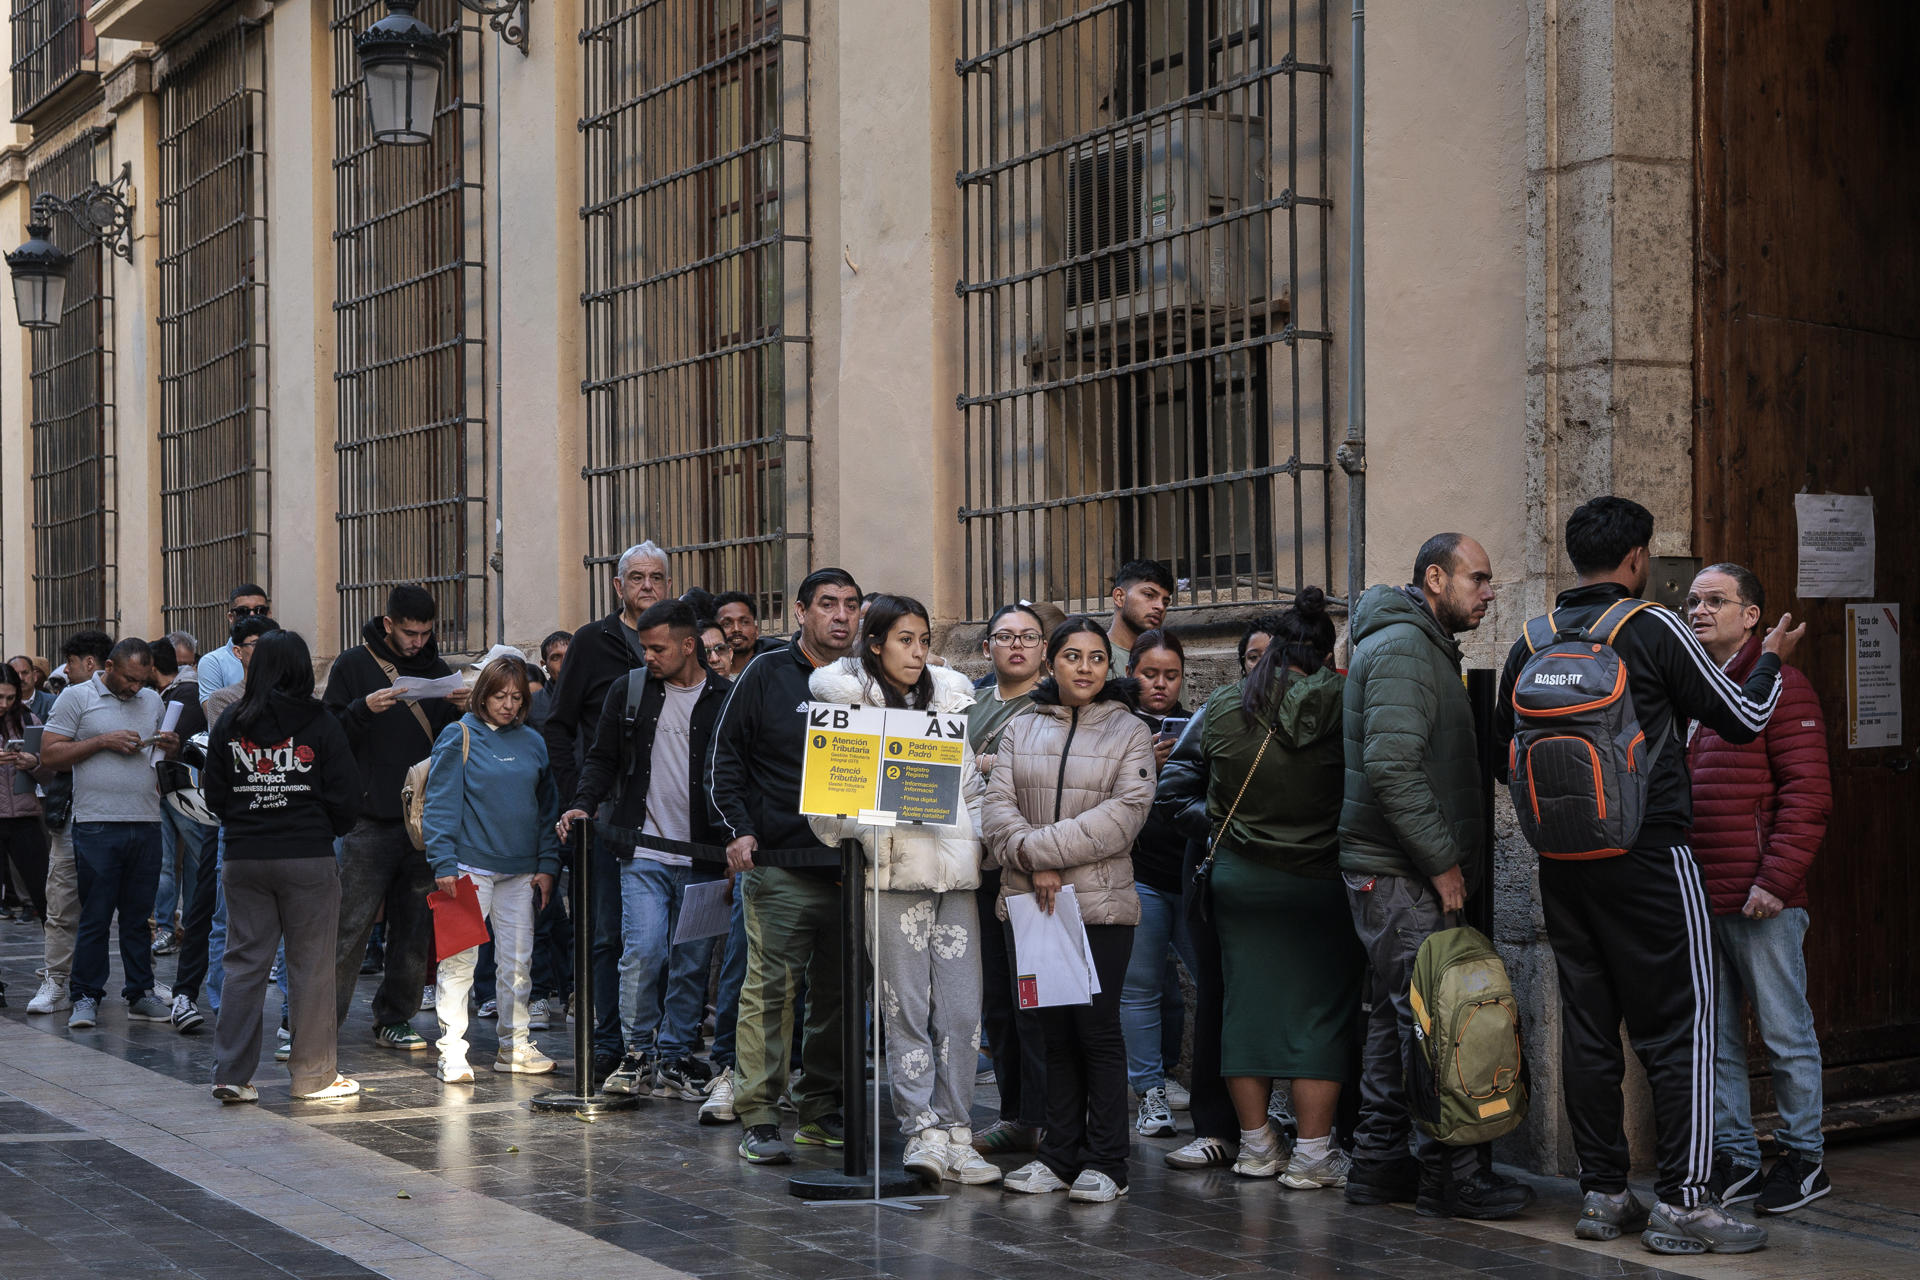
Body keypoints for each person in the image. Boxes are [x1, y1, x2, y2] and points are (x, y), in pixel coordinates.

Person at [1495, 498, 1800, 1255]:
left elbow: (1499, 754)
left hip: (1562, 865)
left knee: (1590, 1028)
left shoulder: (1531, 639)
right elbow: (1743, 716)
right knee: (1681, 1027)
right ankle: (1686, 1203)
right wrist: (1773, 662)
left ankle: (1603, 1195)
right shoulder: (1651, 625)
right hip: (1652, 858)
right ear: (1637, 558)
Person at [1341, 534, 1533, 1220]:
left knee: (1402, 1023)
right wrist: (1442, 863)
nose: (1489, 594)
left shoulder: (1417, 645)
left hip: (1396, 871)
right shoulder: (1400, 650)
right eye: (1478, 580)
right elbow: (1393, 769)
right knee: (1437, 1023)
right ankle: (1453, 1178)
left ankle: (1378, 1166)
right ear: (1434, 578)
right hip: (1402, 875)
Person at [807, 595, 1002, 1187]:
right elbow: (826, 813)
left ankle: (959, 1131)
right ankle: (922, 1128)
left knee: (964, 1011)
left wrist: (984, 834)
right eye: (905, 640)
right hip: (890, 879)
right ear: (875, 644)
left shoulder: (948, 702)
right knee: (906, 1009)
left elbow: (968, 787)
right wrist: (876, 822)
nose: (918, 652)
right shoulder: (844, 707)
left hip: (956, 876)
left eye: (924, 640)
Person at [1177, 589, 1361, 1188]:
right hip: (1318, 883)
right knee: (1321, 1015)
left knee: (1244, 1011)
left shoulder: (1229, 702)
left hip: (1240, 879)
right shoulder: (1347, 700)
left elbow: (1186, 780)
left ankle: (1256, 1147)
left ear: (1277, 649)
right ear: (1325, 653)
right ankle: (1312, 1155)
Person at [982, 616, 1156, 1204]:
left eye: (1097, 658)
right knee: (1050, 1031)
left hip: (1100, 905)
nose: (1085, 668)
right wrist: (1037, 865)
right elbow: (996, 806)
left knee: (1097, 1030)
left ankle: (1108, 1160)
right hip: (1033, 903)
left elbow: (1125, 814)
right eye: (1073, 656)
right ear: (1050, 662)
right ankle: (1058, 1155)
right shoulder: (1020, 726)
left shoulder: (1129, 731)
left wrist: (1041, 853)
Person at [1683, 564, 1833, 1215]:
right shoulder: (1694, 688)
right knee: (1713, 1036)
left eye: (1716, 600)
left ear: (1752, 616)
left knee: (1784, 1031)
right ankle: (1736, 1156)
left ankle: (1804, 1158)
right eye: (1692, 600)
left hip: (1760, 900)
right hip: (1701, 898)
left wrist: (1776, 880)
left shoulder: (1783, 688)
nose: (1698, 610)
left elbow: (1808, 797)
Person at [709, 567, 862, 1165]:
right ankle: (760, 1114)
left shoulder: (871, 680)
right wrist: (740, 831)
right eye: (828, 605)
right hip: (780, 869)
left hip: (855, 873)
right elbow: (725, 761)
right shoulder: (766, 673)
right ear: (800, 612)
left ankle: (821, 1108)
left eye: (851, 605)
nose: (842, 616)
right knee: (769, 995)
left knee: (838, 1000)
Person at [557, 600, 730, 1097]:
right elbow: (602, 759)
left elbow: (738, 774)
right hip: (642, 852)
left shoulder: (726, 696)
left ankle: (675, 1054)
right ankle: (637, 1054)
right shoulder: (629, 690)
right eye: (644, 647)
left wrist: (737, 842)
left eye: (658, 648)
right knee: (643, 951)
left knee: (692, 960)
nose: (648, 656)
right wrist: (582, 804)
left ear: (689, 645)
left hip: (705, 858)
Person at [1152, 612, 1295, 1172]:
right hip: (1217, 876)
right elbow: (1172, 796)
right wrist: (1226, 828)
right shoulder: (1216, 713)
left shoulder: (1314, 718)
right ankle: (1217, 1128)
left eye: (1274, 657)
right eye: (1253, 658)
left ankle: (1293, 1128)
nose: (1263, 668)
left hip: (1288, 882)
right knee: (1216, 996)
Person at [204, 630, 362, 1103]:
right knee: (311, 966)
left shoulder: (230, 721)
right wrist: (321, 827)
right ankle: (313, 1077)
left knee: (244, 965)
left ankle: (230, 1075)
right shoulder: (320, 722)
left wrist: (248, 820)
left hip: (245, 857)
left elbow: (214, 795)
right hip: (308, 856)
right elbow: (346, 796)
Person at [543, 542, 672, 1081]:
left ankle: (659, 1045)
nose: (647, 586)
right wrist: (580, 798)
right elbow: (559, 724)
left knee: (664, 935)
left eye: (657, 577)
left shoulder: (681, 641)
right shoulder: (592, 643)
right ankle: (605, 1042)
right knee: (605, 933)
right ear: (618, 586)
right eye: (636, 577)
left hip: (670, 813)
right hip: (605, 810)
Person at [324, 585, 470, 1051]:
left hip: (423, 821)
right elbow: (328, 736)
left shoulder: (437, 670)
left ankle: (395, 1015)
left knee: (414, 926)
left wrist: (462, 709)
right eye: (410, 633)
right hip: (369, 819)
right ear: (388, 625)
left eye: (426, 633)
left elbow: (449, 743)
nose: (418, 643)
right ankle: (319, 1021)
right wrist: (360, 710)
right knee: (349, 925)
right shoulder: (352, 665)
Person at [424, 656, 561, 1081]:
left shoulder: (533, 742)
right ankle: (452, 1050)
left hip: (520, 870)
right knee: (459, 961)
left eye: (517, 698)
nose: (507, 705)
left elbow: (546, 809)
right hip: (467, 868)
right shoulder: (458, 734)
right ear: (482, 693)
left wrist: (547, 863)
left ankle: (514, 1046)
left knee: (518, 962)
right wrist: (442, 861)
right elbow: (440, 803)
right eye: (500, 695)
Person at [42, 637, 182, 1030]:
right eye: (129, 679)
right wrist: (103, 741)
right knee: (96, 915)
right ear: (108, 665)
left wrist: (170, 746)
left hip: (146, 821)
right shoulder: (75, 697)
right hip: (97, 823)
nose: (135, 688)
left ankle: (140, 994)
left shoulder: (153, 701)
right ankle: (85, 996)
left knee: (139, 918)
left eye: (142, 680)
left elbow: (159, 758)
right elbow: (51, 755)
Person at [965, 603, 1050, 1156]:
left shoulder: (1054, 705)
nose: (1016, 646)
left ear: (1044, 648)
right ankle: (1015, 1113)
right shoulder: (967, 705)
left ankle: (1050, 1115)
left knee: (1038, 998)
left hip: (1036, 865)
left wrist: (1000, 765)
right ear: (988, 647)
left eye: (1028, 637)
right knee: (997, 999)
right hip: (976, 866)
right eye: (1004, 637)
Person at [1118, 629, 1201, 1139]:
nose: (1160, 685)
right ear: (1131, 673)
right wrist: (1146, 764)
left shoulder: (1197, 724)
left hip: (1191, 872)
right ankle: (1148, 1088)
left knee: (1211, 980)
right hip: (1140, 872)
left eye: (1171, 676)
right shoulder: (1115, 727)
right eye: (1150, 674)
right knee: (1140, 987)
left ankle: (1218, 1082)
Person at [24, 630, 114, 1016]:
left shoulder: (137, 701)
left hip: (117, 817)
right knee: (62, 900)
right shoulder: (69, 700)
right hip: (72, 816)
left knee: (124, 906)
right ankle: (57, 979)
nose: (67, 669)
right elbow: (53, 757)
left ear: (90, 663)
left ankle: (135, 984)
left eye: (72, 662)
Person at [148, 640, 208, 962]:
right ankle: (170, 927)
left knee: (194, 859)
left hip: (182, 788)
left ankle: (182, 927)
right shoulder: (177, 692)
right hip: (166, 788)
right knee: (167, 863)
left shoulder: (185, 693)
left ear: (152, 667)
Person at [0, 666, 52, 923]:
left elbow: (50, 774)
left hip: (25, 816)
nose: (4, 704)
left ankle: (57, 962)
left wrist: (34, 763)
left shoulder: (29, 720)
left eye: (10, 697)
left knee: (45, 896)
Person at [196, 584, 272, 703]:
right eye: (243, 611)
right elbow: (215, 715)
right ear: (231, 617)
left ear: (268, 614)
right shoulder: (213, 662)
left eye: (260, 610)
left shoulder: (283, 654)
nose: (252, 616)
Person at [1106, 561, 1175, 665]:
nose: (1160, 607)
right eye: (1149, 595)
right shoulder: (1091, 657)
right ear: (1119, 597)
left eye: (1165, 603)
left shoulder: (1167, 662)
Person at [713, 591, 786, 670]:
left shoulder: (778, 667)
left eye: (744, 622)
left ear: (756, 630)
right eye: (727, 624)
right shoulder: (707, 673)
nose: (736, 629)